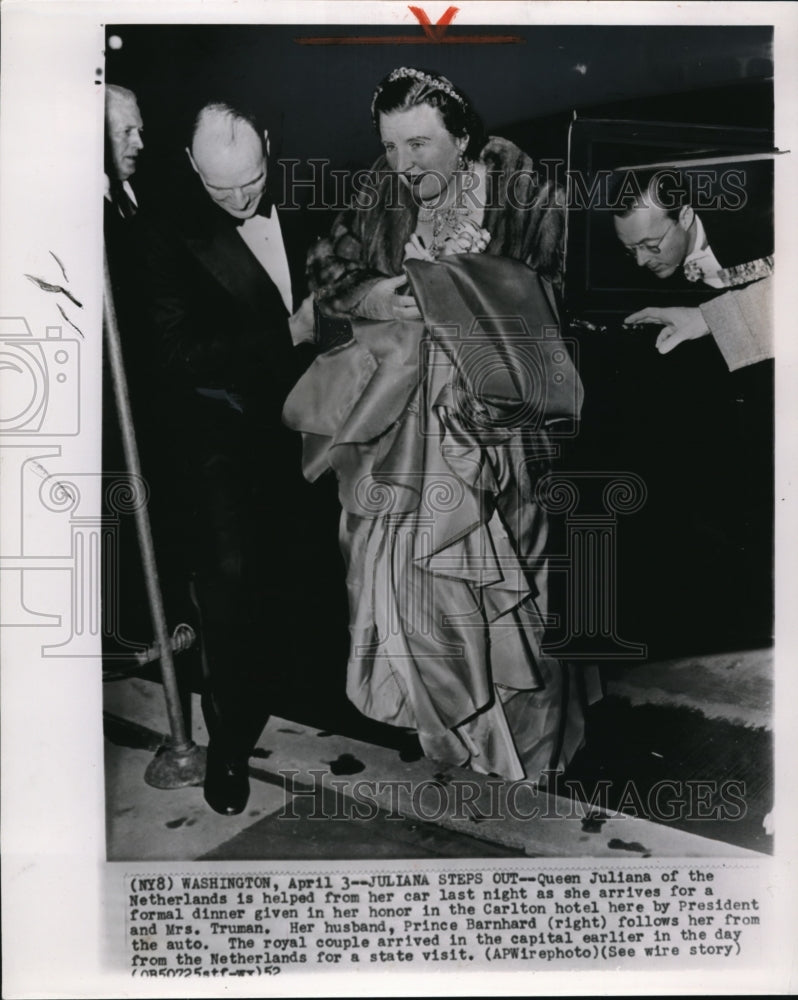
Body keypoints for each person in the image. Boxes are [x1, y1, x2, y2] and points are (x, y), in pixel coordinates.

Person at [285, 67, 600, 783]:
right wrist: (381, 294)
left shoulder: (528, 194)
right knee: (420, 593)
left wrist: (477, 283)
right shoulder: (377, 192)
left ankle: (536, 760)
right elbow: (329, 273)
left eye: (420, 145)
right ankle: (459, 741)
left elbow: (563, 308)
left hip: (505, 438)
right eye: (392, 146)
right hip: (407, 433)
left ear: (463, 136)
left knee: (516, 597)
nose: (405, 164)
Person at [141, 102, 334, 815]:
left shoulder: (312, 198)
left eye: (250, 181)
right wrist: (290, 331)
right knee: (230, 591)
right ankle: (227, 744)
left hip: (316, 423)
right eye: (221, 189)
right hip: (225, 441)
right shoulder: (166, 232)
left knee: (315, 571)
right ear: (193, 168)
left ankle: (330, 703)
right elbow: (175, 356)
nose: (240, 199)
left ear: (269, 150)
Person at [611, 167, 773, 368]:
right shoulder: (630, 277)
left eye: (651, 245)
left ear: (685, 217)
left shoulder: (761, 227)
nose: (641, 261)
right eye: (631, 249)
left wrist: (710, 319)